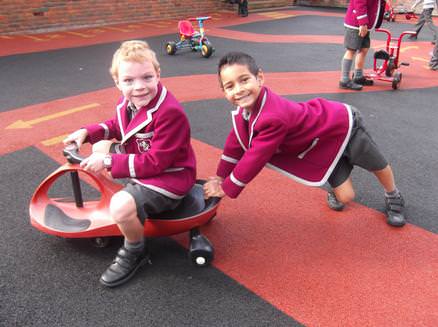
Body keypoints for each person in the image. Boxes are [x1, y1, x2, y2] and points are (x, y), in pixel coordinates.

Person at [204, 52, 406, 227]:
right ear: (223, 92)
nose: (238, 90)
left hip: (342, 125)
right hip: (320, 143)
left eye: (244, 80)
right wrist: (220, 176)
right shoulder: (244, 112)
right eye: (230, 86)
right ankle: (338, 161)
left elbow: (255, 157)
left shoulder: (273, 116)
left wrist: (226, 187)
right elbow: (235, 144)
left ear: (260, 78)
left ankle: (393, 195)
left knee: (377, 165)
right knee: (346, 197)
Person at [63, 40, 196, 287]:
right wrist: (86, 132)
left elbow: (156, 162)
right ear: (117, 82)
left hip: (170, 176)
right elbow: (116, 126)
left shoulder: (170, 112)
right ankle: (131, 199)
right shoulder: (126, 102)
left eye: (147, 77)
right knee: (99, 146)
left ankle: (135, 249)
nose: (139, 87)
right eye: (129, 81)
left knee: (121, 206)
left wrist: (108, 160)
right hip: (147, 164)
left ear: (158, 74)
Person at [339, 0, 386, 90]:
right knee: (351, 50)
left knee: (364, 49)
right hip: (356, 24)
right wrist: (363, 23)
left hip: (365, 24)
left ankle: (358, 77)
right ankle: (344, 80)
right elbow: (359, 3)